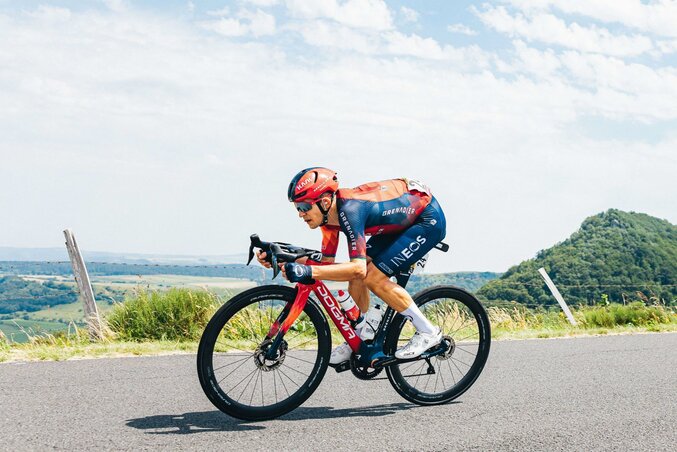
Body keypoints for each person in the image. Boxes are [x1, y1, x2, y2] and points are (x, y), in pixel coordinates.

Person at [256, 167, 447, 365]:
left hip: (426, 219)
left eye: (304, 207)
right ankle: (363, 334)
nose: (300, 214)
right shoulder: (328, 221)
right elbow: (326, 265)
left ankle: (428, 331)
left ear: (324, 202)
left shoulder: (351, 210)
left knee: (371, 277)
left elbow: (357, 268)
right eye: (297, 208)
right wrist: (286, 258)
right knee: (356, 277)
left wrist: (307, 270)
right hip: (398, 224)